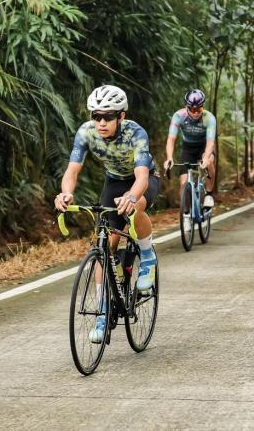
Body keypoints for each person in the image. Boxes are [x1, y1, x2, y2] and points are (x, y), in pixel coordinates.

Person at [54, 85, 160, 343]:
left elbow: (141, 177)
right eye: (96, 116)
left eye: (108, 117)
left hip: (143, 180)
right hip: (113, 181)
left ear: (121, 116)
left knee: (135, 208)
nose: (101, 122)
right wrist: (66, 193)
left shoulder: (136, 133)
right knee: (104, 246)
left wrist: (131, 196)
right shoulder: (86, 132)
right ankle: (103, 313)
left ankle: (147, 255)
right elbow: (72, 170)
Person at [164, 89, 216, 217]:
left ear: (203, 107)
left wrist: (206, 157)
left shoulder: (209, 118)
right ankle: (186, 214)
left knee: (209, 161)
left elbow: (210, 142)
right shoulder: (179, 116)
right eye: (193, 110)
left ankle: (209, 194)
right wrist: (169, 157)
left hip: (204, 147)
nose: (196, 113)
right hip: (188, 149)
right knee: (184, 183)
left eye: (199, 109)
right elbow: (171, 139)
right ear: (186, 107)